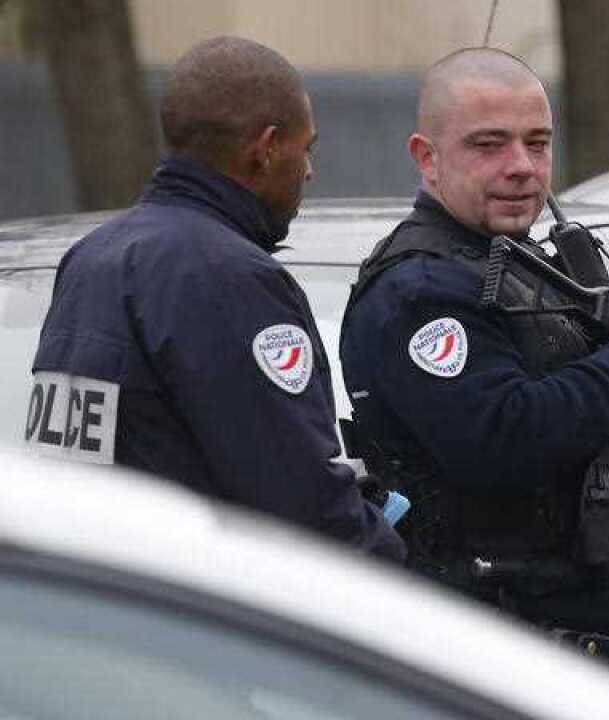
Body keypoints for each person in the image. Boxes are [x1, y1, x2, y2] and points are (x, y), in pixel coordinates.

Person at [339, 47, 609, 653]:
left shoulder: (542, 272)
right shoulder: (419, 289)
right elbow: (499, 438)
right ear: (427, 158)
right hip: (473, 645)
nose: (521, 166)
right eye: (489, 145)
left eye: (538, 143)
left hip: (563, 641)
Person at [27, 37, 405, 563]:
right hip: (199, 616)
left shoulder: (92, 258)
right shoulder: (229, 279)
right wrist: (396, 567)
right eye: (307, 148)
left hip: (94, 596)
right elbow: (302, 504)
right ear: (267, 147)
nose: (310, 171)